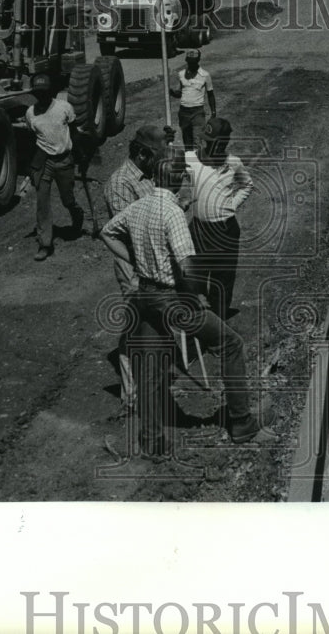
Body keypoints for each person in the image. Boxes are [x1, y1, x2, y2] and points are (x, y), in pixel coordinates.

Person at [100, 149, 274, 459]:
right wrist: (193, 296)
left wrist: (137, 263)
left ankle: (152, 441)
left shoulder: (140, 206)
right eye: (188, 180)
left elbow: (108, 231)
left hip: (144, 297)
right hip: (170, 298)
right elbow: (188, 267)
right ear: (179, 180)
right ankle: (242, 423)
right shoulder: (173, 215)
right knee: (230, 344)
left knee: (151, 370)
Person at [102, 124, 174, 417]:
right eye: (158, 155)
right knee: (135, 329)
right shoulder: (120, 184)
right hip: (134, 266)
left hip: (155, 262)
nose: (162, 161)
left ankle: (155, 381)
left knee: (154, 323)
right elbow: (129, 234)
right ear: (143, 154)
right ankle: (132, 397)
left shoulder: (152, 174)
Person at [184, 116, 253, 319]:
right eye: (206, 141)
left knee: (222, 282)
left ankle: (219, 325)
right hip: (199, 232)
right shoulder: (191, 160)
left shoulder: (233, 163)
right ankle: (200, 325)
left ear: (223, 143)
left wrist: (232, 204)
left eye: (214, 143)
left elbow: (247, 185)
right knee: (196, 280)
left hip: (225, 231)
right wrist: (168, 140)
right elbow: (166, 160)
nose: (208, 145)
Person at [25, 75, 85, 261]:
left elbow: (74, 132)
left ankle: (77, 214)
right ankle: (45, 244)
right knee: (42, 203)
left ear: (51, 92)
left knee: (68, 200)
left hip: (64, 159)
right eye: (37, 94)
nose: (41, 97)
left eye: (44, 93)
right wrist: (31, 166)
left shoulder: (64, 108)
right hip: (44, 161)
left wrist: (81, 157)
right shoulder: (30, 113)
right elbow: (31, 140)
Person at [169, 48, 216, 151]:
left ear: (198, 60)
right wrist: (172, 93)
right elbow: (180, 93)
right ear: (186, 61)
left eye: (193, 62)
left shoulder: (205, 75)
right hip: (184, 112)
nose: (191, 64)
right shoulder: (181, 74)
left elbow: (210, 95)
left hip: (197, 112)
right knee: (187, 141)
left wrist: (213, 113)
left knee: (197, 141)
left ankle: (197, 163)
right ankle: (190, 164)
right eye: (189, 61)